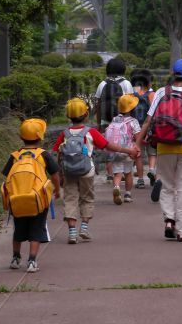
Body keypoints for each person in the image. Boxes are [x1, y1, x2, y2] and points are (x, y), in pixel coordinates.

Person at [136, 59, 182, 242]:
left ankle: (169, 220)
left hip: (164, 145)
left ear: (173, 72)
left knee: (167, 185)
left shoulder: (162, 92)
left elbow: (147, 121)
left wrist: (137, 144)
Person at [53, 98, 138, 244]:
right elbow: (109, 146)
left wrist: (59, 174)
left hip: (69, 172)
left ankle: (72, 233)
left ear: (68, 116)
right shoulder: (90, 132)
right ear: (86, 114)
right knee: (87, 198)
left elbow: (57, 153)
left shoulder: (64, 134)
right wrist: (128, 150)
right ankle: (84, 228)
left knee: (70, 199)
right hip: (87, 171)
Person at [2, 119, 60, 273]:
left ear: (21, 137)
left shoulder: (15, 156)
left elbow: (7, 176)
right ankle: (32, 261)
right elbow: (55, 175)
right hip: (37, 199)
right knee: (36, 230)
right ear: (40, 137)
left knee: (18, 230)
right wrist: (57, 189)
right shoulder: (43, 155)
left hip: (17, 199)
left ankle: (15, 258)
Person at [95, 58, 134, 181]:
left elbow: (98, 104)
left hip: (106, 121)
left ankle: (109, 172)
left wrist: (99, 122)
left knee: (108, 145)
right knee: (123, 143)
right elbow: (131, 103)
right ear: (123, 69)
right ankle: (121, 172)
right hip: (122, 121)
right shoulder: (126, 84)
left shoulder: (102, 84)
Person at [107, 94, 142, 204]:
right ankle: (127, 194)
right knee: (128, 173)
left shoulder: (114, 119)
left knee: (117, 174)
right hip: (129, 151)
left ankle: (116, 187)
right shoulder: (133, 121)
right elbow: (137, 137)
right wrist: (137, 147)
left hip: (116, 150)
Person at [130, 69, 156, 188]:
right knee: (152, 153)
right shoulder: (152, 95)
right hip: (149, 127)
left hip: (135, 128)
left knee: (138, 154)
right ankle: (151, 170)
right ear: (149, 83)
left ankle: (140, 180)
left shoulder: (131, 95)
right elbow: (154, 112)